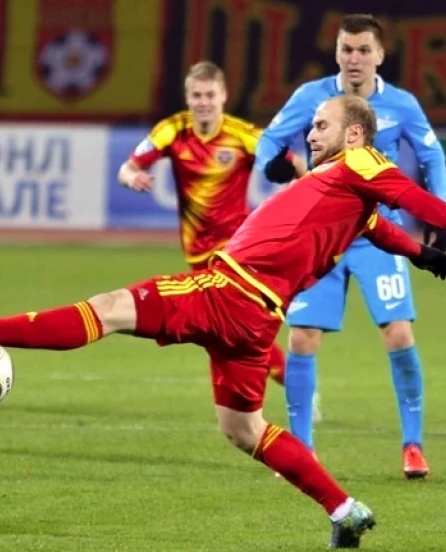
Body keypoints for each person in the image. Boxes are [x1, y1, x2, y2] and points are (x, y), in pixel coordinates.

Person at [0, 95, 446, 548]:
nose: (310, 133)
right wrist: (419, 252)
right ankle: (344, 509)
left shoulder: (362, 162)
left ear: (353, 132)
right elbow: (379, 225)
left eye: (321, 125)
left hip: (228, 289)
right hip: (256, 319)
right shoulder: (342, 190)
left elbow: (409, 197)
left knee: (110, 309)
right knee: (242, 428)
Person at [255, 13, 446, 479]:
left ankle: (413, 445)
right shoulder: (312, 97)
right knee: (302, 336)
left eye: (364, 50)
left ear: (380, 55)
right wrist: (272, 165)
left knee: (398, 333)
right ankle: (301, 451)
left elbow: (432, 155)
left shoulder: (401, 104)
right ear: (337, 53)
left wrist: (438, 211)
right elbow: (269, 139)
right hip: (319, 236)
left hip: (377, 236)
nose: (354, 58)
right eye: (347, 49)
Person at [117, 60, 306, 392]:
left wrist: (298, 202)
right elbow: (127, 167)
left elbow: (297, 164)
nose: (203, 102)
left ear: (223, 96)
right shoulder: (173, 130)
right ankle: (293, 389)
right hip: (197, 253)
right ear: (187, 97)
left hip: (237, 252)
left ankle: (295, 391)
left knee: (227, 328)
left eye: (209, 95)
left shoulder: (241, 135)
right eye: (197, 95)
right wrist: (132, 176)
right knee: (224, 333)